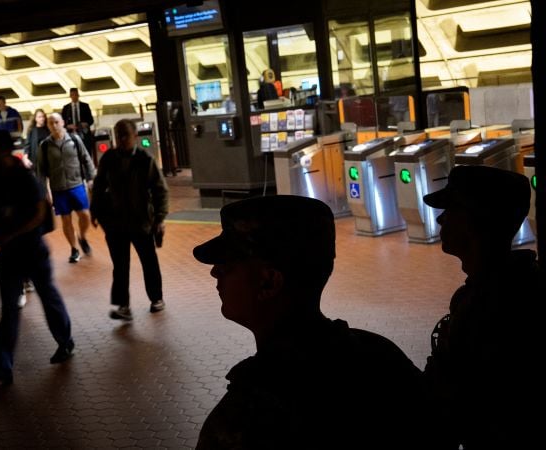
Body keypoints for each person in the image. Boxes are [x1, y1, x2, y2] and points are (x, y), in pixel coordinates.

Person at [193, 195, 427, 449]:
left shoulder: (249, 412)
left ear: (269, 282)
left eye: (227, 264)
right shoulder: (382, 356)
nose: (215, 271)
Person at [422, 165, 543, 449]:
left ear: (474, 220)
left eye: (450, 210)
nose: (440, 219)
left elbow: (454, 406)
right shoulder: (519, 283)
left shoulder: (492, 307)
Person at [0, 129, 75, 384]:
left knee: (46, 295)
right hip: (12, 255)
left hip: (30, 251)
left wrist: (9, 237)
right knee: (10, 308)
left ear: (1, 148)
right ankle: (3, 366)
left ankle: (64, 341)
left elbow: (40, 213)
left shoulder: (23, 176)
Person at [90, 119, 168, 321]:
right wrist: (95, 211)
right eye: (119, 135)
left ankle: (156, 298)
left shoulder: (145, 159)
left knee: (148, 261)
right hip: (116, 222)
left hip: (141, 221)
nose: (122, 139)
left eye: (126, 134)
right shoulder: (109, 158)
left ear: (135, 136)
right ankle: (123, 305)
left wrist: (159, 218)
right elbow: (98, 186)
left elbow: (160, 190)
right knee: (120, 265)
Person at [37, 113, 96, 263]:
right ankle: (74, 249)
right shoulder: (44, 145)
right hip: (58, 189)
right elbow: (41, 171)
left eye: (56, 122)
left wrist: (91, 178)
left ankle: (82, 237)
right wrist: (45, 191)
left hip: (76, 185)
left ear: (62, 122)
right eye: (51, 123)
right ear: (48, 126)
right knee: (66, 219)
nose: (54, 125)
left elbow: (86, 159)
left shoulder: (74, 140)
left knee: (84, 215)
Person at [61, 88, 95, 157]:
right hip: (71, 134)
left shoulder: (85, 106)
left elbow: (91, 120)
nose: (74, 97)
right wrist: (68, 126)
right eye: (72, 95)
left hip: (84, 134)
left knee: (86, 153)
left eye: (76, 95)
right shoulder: (66, 108)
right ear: (70, 96)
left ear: (78, 95)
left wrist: (86, 123)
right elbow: (62, 123)